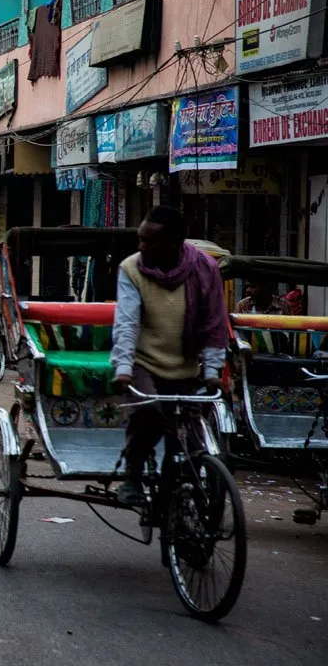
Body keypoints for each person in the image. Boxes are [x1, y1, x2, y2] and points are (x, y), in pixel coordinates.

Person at [111, 205, 228, 506]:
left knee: (189, 445)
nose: (141, 247)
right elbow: (127, 322)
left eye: (150, 241)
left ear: (175, 243)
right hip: (143, 364)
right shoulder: (131, 269)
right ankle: (132, 476)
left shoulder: (205, 268)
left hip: (186, 367)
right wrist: (123, 368)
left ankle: (178, 506)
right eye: (140, 239)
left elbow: (215, 322)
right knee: (149, 414)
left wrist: (213, 371)